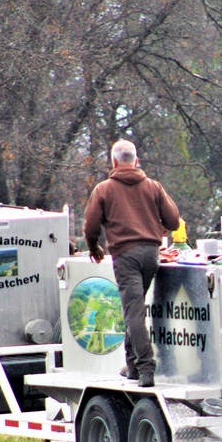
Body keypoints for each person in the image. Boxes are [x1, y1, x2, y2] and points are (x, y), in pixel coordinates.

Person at [83, 140, 180, 387]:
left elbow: (91, 226)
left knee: (133, 312)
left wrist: (94, 247)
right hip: (151, 255)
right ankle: (133, 366)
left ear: (114, 162)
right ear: (135, 161)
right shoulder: (153, 187)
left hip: (125, 255)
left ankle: (146, 368)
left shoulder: (104, 189)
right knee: (133, 310)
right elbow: (173, 221)